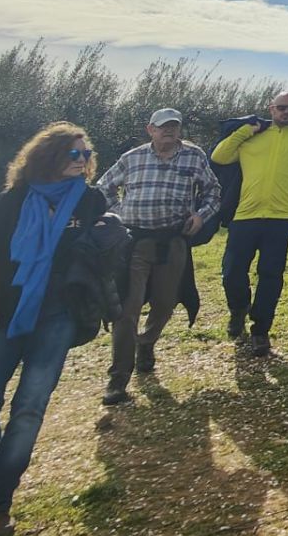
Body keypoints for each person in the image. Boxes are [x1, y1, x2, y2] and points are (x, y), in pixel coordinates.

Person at [0, 122, 107, 535]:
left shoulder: (91, 203)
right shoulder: (15, 199)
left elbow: (103, 253)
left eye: (86, 154)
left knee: (29, 409)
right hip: (2, 310)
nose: (82, 160)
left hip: (58, 316)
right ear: (48, 156)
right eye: (74, 154)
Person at [94, 109, 220, 405]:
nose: (169, 132)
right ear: (150, 129)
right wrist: (118, 213)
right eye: (163, 127)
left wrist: (201, 216)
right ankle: (118, 379)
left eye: (174, 127)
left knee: (165, 303)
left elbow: (213, 191)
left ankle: (146, 343)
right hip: (133, 241)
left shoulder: (194, 156)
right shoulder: (133, 157)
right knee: (128, 308)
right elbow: (103, 187)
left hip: (173, 240)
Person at [211, 92, 288, 358]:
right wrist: (244, 132)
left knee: (271, 274)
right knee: (232, 271)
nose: (286, 112)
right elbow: (220, 156)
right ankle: (238, 309)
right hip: (245, 215)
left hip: (281, 217)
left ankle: (260, 329)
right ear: (271, 108)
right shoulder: (253, 133)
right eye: (281, 108)